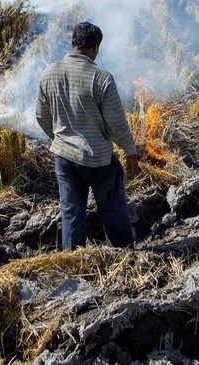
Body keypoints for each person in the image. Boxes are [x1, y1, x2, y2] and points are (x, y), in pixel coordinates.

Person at [36, 22, 141, 250]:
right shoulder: (101, 78)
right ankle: (123, 255)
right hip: (97, 159)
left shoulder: (48, 74)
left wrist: (59, 139)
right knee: (112, 206)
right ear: (96, 47)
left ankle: (73, 261)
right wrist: (130, 153)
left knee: (71, 211)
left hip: (63, 159)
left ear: (74, 43)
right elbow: (117, 124)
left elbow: (41, 116)